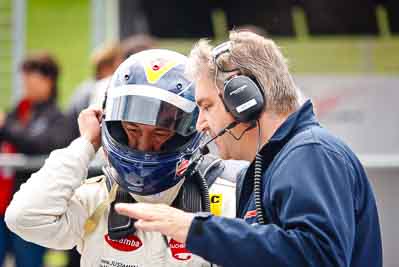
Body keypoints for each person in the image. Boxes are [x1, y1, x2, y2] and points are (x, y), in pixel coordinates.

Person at [111, 31, 383, 267]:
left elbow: (319, 257)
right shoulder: (265, 168)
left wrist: (194, 230)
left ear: (243, 99)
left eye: (206, 106)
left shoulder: (311, 152)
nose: (201, 123)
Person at [5, 49, 237, 267]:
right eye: (133, 129)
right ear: (111, 124)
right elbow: (22, 218)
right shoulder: (95, 198)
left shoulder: (226, 198)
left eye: (160, 132)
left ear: (190, 131)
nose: (143, 145)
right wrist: (86, 144)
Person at [0, 52, 70, 267]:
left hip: (30, 208)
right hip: (3, 204)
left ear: (48, 81)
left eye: (32, 79)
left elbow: (38, 145)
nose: (27, 85)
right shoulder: (18, 112)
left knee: (28, 262)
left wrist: (5, 127)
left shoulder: (58, 119)